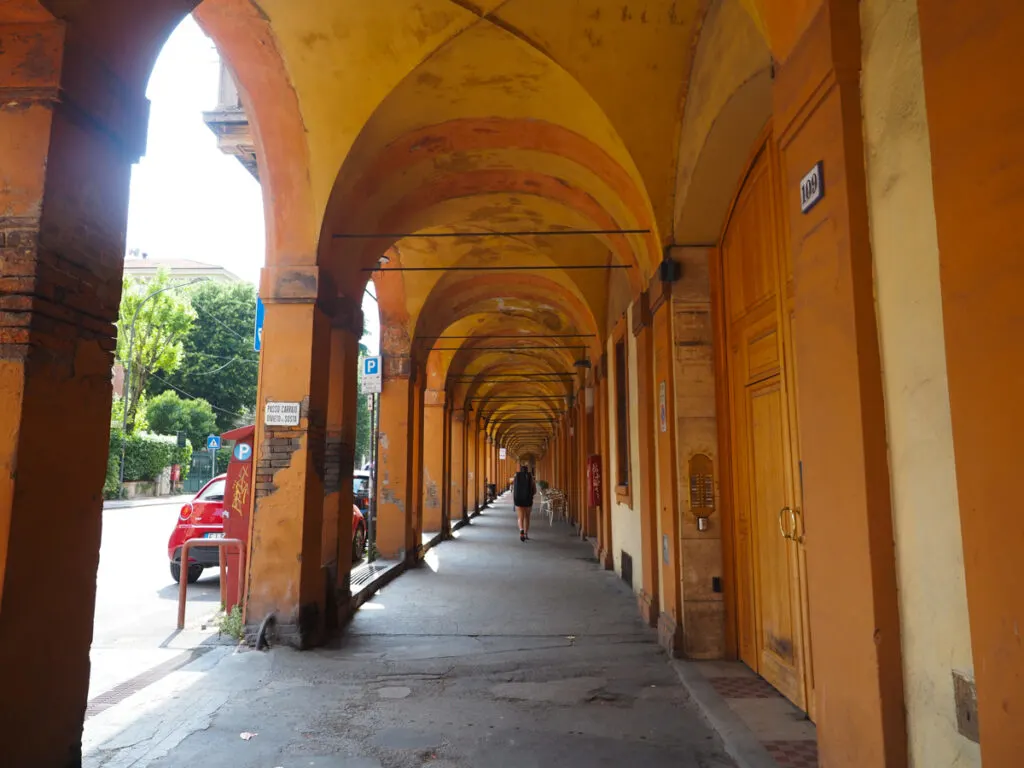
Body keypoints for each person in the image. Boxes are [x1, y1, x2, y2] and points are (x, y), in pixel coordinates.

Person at [512, 463, 536, 542]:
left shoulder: (516, 476)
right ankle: (526, 533)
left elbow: (513, 489)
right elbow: (534, 490)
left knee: (520, 517)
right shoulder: (530, 477)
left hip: (518, 500)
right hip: (528, 500)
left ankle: (521, 530)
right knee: (527, 518)